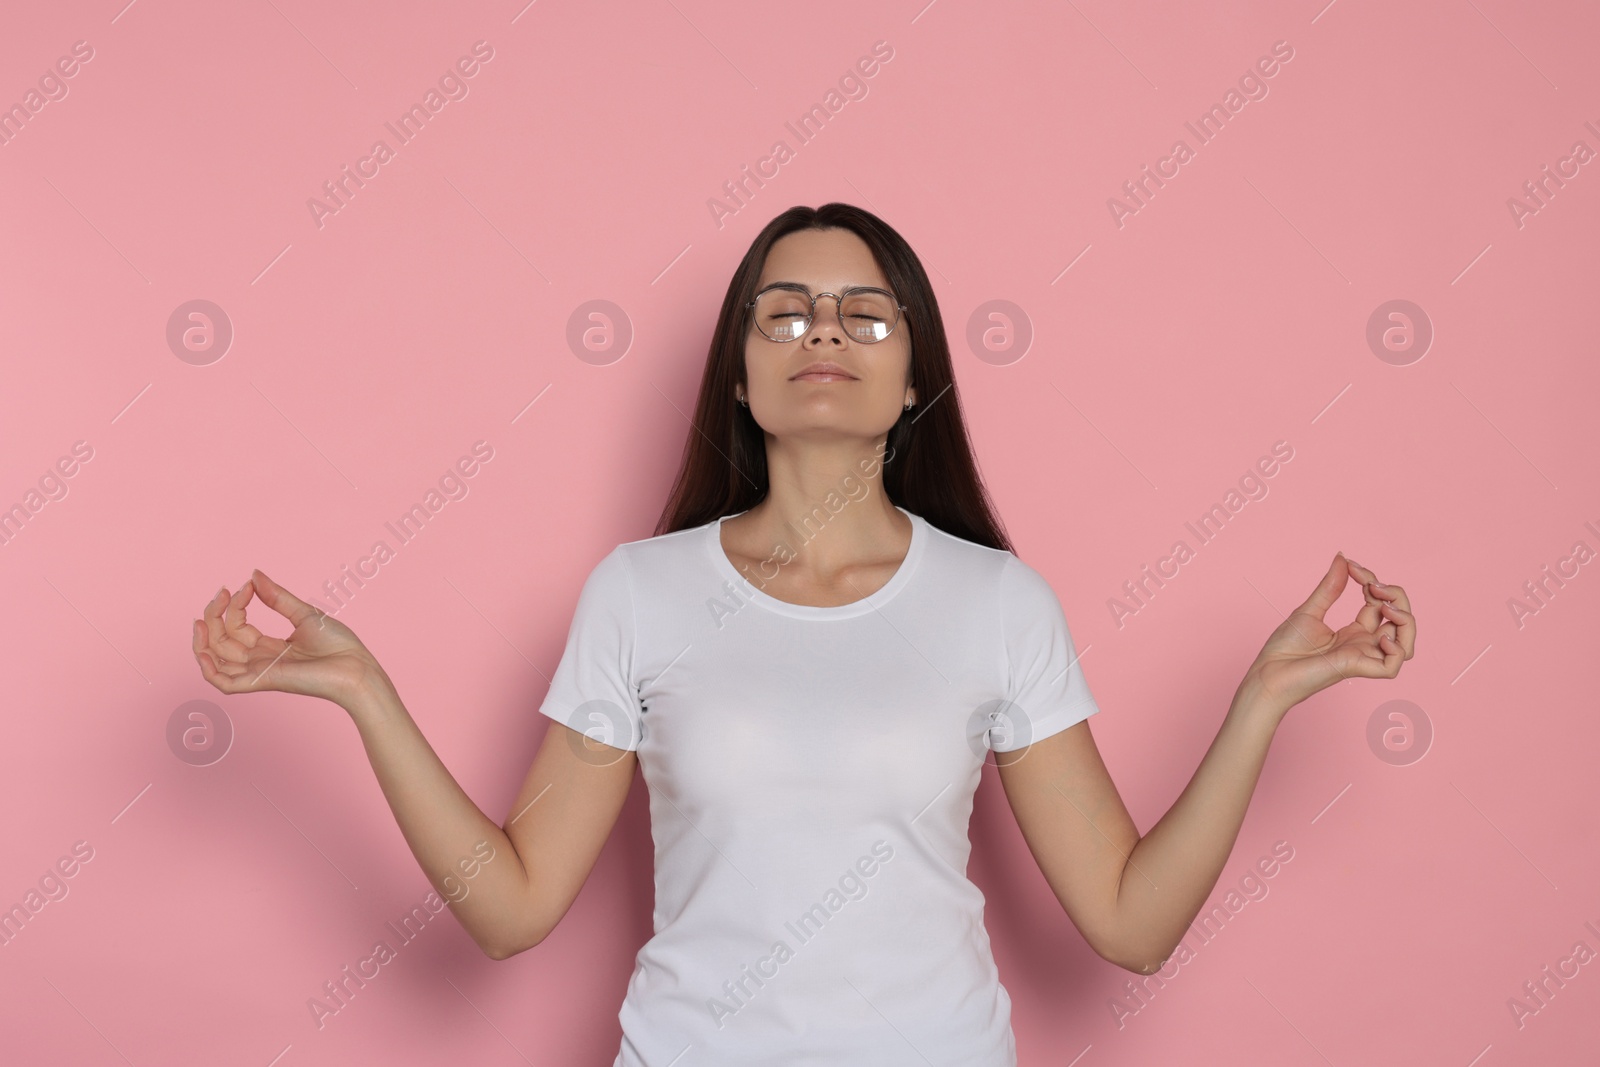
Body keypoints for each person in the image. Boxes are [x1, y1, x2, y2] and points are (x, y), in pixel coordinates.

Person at [191, 203, 1416, 1066]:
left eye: (863, 316)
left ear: (912, 372)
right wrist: (362, 689)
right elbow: (508, 910)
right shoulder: (638, 592)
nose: (823, 333)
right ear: (737, 373)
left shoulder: (997, 602)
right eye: (783, 313)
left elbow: (1129, 924)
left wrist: (1259, 698)